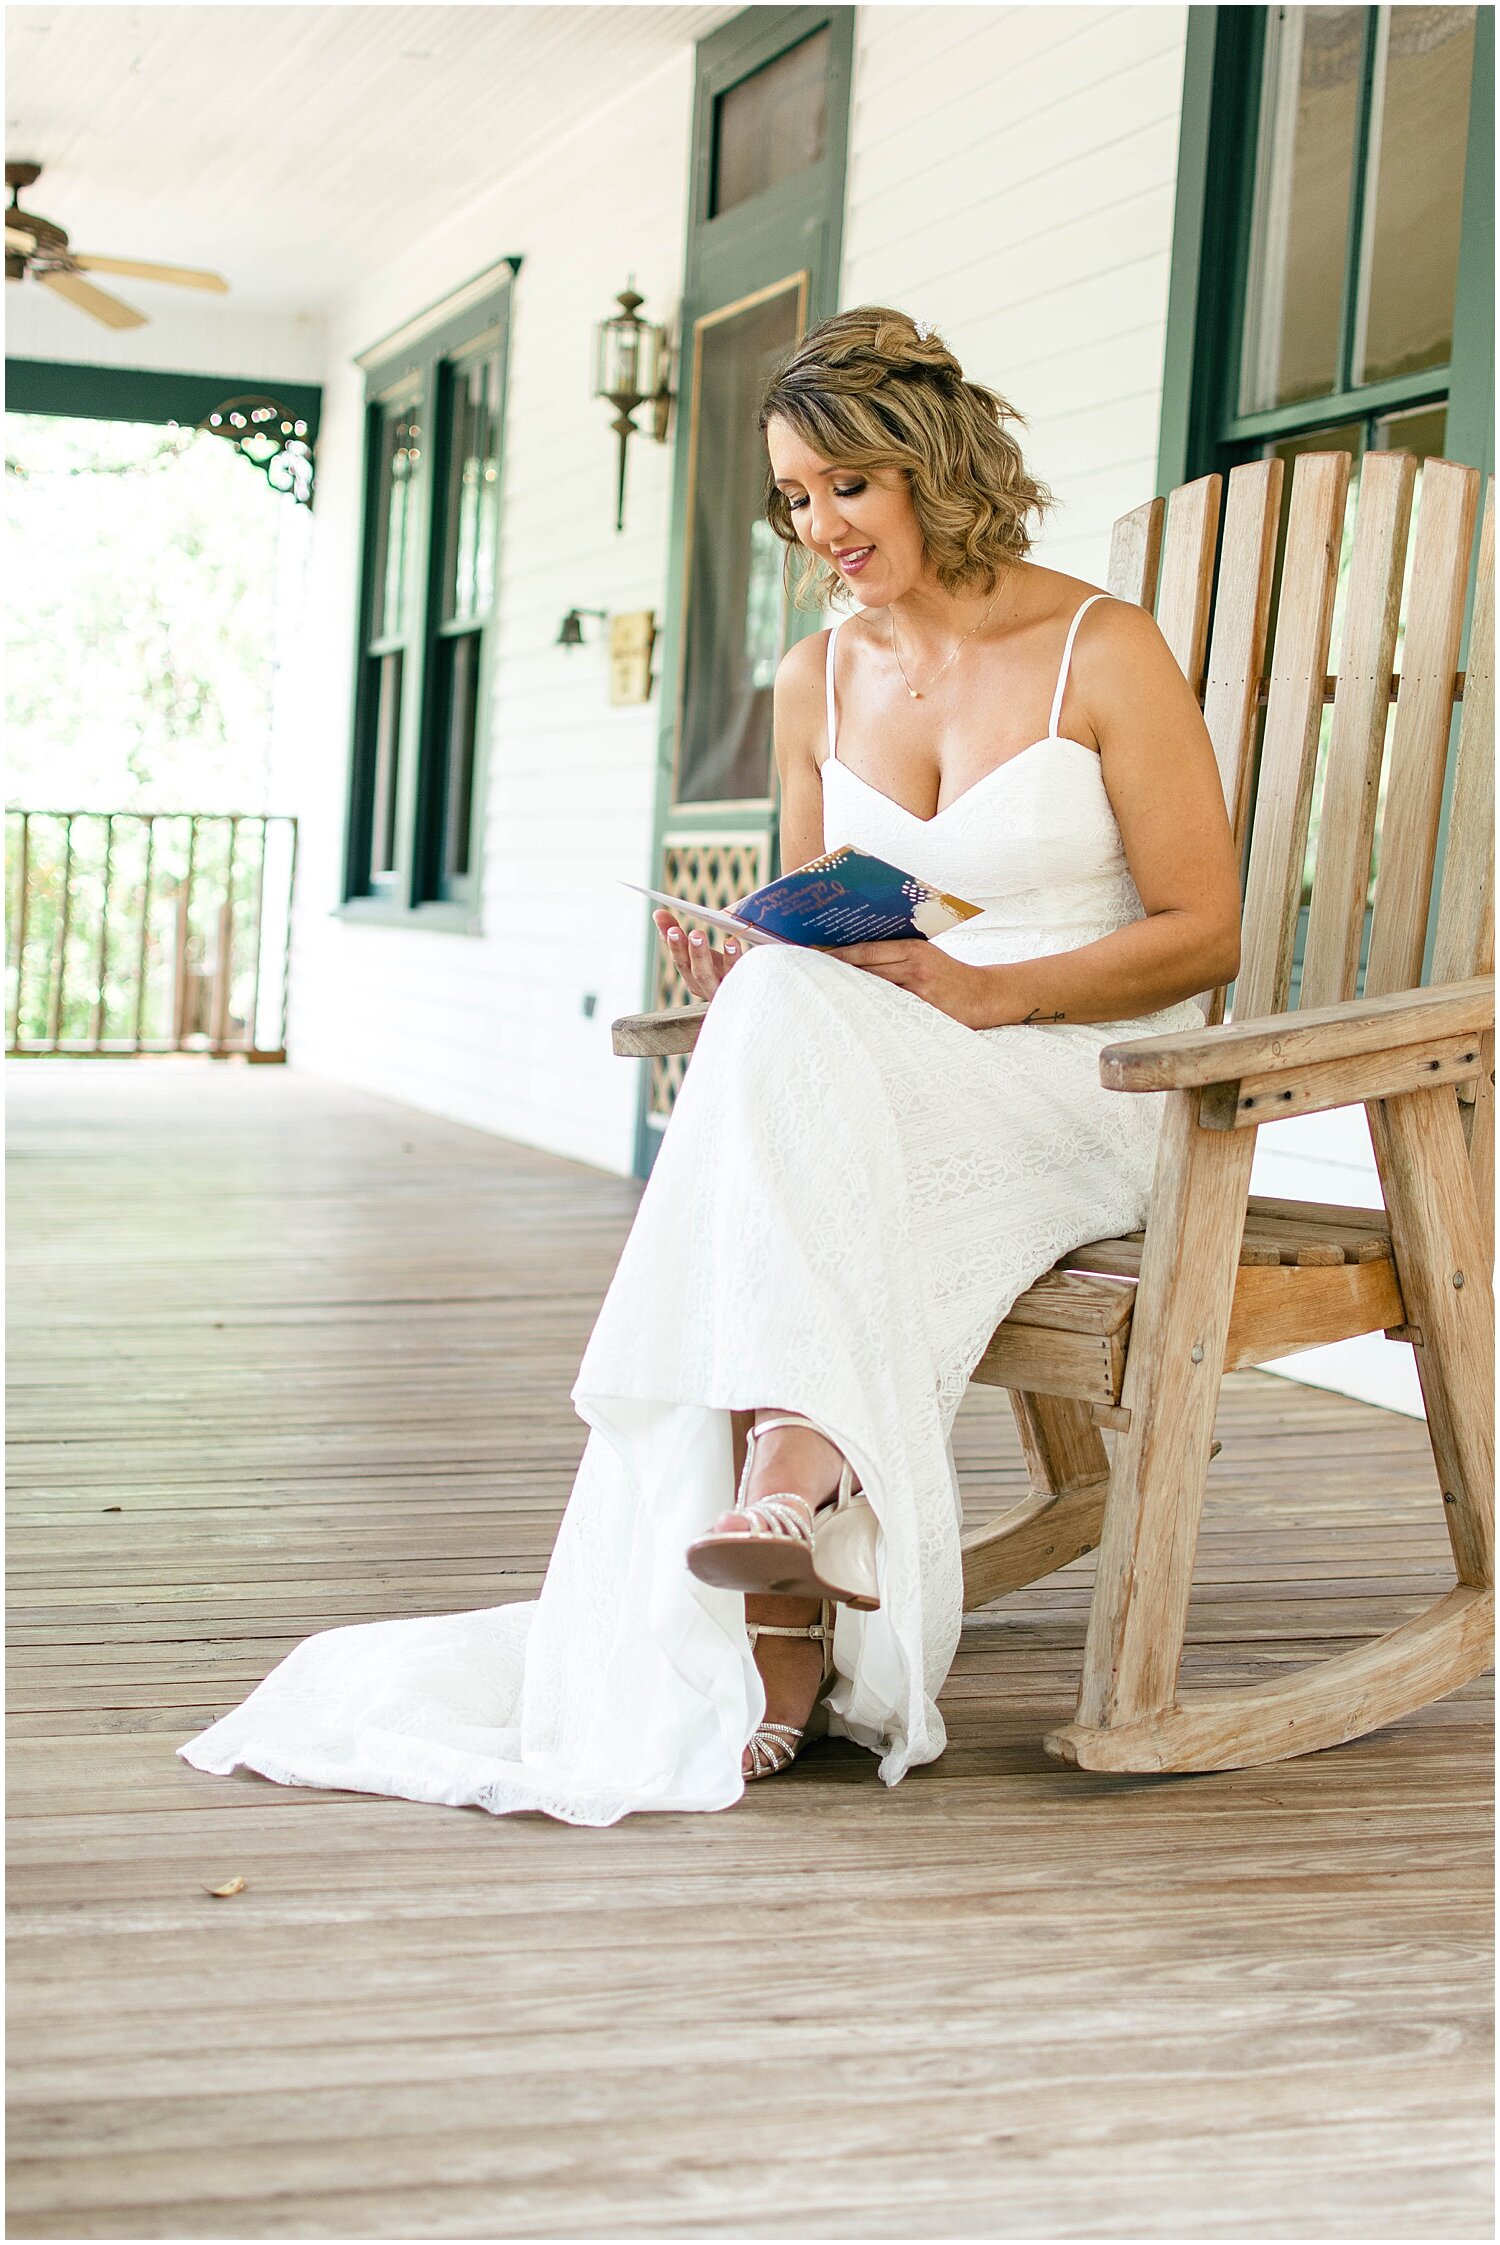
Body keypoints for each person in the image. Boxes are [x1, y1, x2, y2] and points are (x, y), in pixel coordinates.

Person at [179, 307, 1240, 1825]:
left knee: (785, 1095)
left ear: (936, 468)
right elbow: (836, 934)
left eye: (846, 490)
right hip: (896, 1075)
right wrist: (760, 951)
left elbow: (1207, 933)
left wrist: (988, 992)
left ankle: (784, 1603)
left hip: (1089, 1082)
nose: (820, 528)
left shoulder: (1100, 645)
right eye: (794, 500)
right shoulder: (817, 678)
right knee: (773, 1020)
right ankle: (792, 1490)